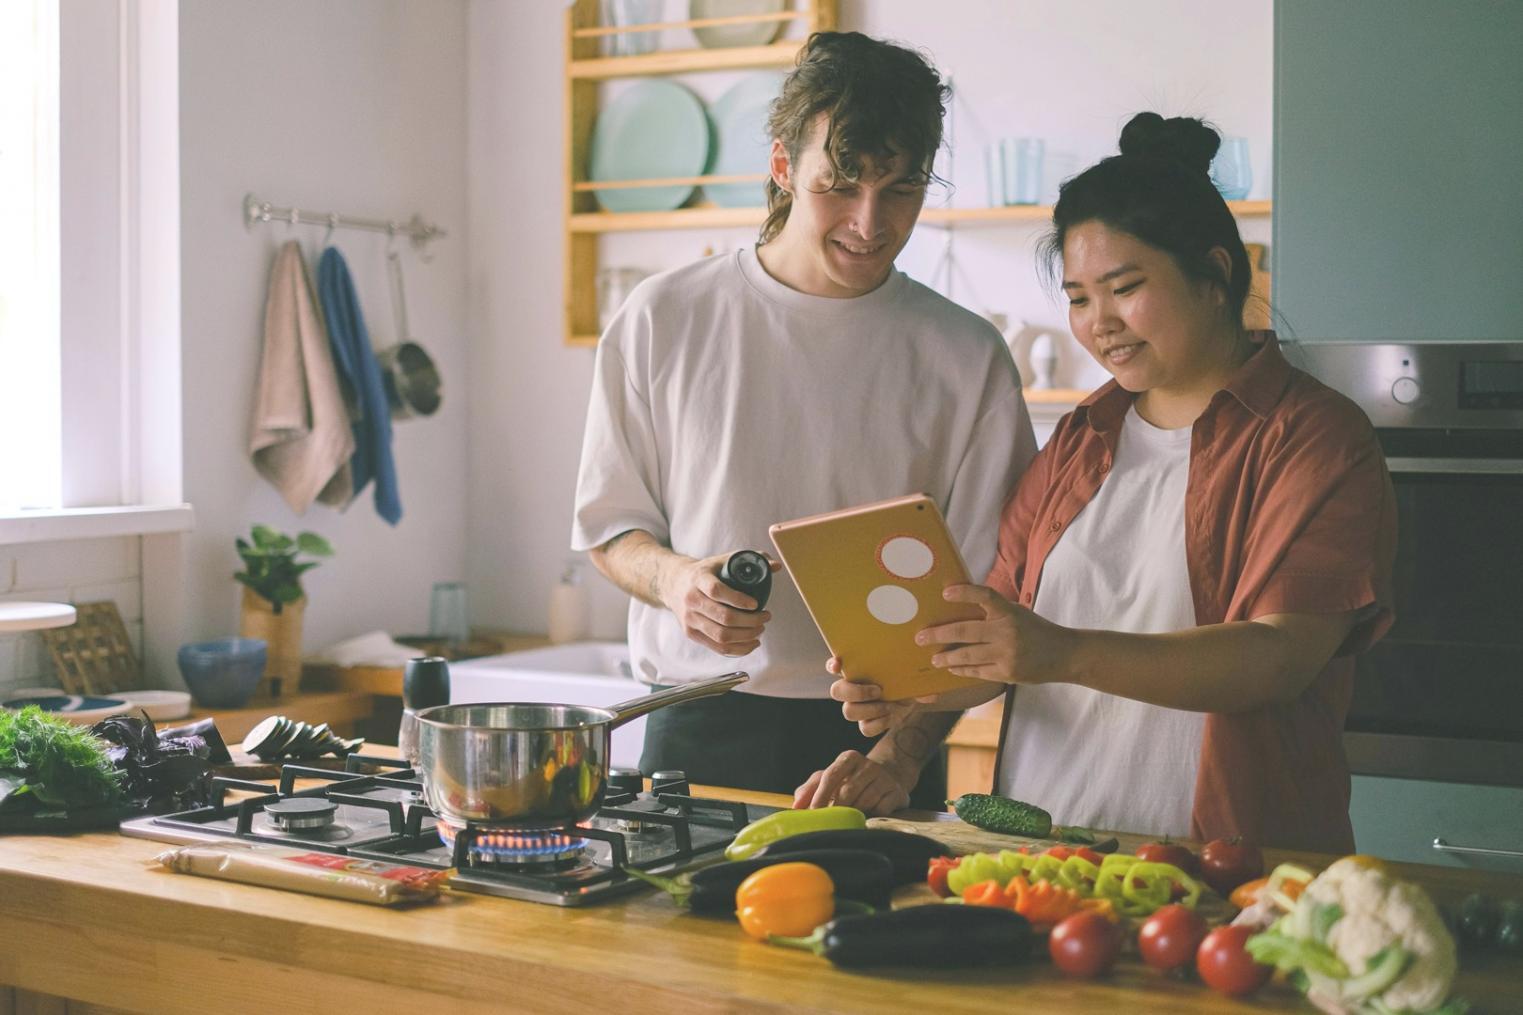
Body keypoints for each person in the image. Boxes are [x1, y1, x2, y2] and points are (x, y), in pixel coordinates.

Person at [820, 113, 1396, 853]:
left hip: (1229, 868)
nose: (1099, 324)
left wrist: (1062, 651)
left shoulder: (1313, 437)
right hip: (1043, 859)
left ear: (1214, 272)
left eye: (1124, 287)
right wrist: (901, 717)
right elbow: (1004, 638)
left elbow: (1276, 658)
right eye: (1079, 297)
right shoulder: (1077, 439)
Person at [570, 32, 1037, 812]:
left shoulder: (967, 355)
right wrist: (678, 579)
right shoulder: (664, 317)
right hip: (692, 721)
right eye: (840, 184)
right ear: (783, 167)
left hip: (880, 738)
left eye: (900, 189)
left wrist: (898, 753)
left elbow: (991, 600)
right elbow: (610, 531)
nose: (869, 220)